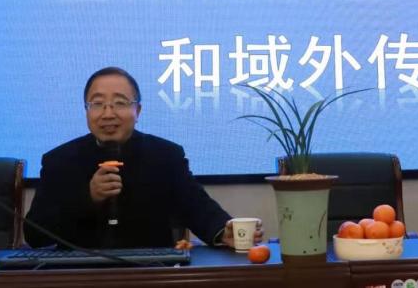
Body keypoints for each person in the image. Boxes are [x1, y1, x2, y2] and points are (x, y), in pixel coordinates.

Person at [25, 66, 263, 249]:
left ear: (137, 110)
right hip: (78, 275)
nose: (108, 113)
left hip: (152, 271)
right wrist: (88, 198)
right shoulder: (59, 161)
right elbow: (34, 235)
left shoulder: (165, 156)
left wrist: (223, 231)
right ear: (86, 111)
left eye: (119, 103)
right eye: (97, 104)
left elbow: (197, 207)